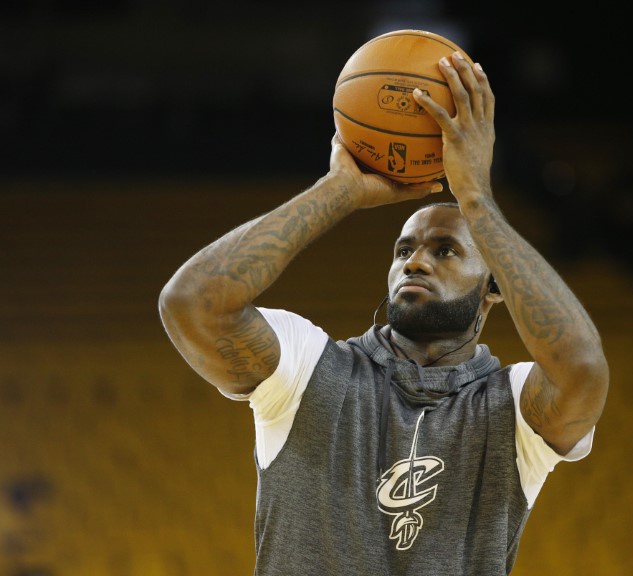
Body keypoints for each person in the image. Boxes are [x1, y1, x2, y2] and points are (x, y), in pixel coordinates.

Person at [159, 49, 609, 576]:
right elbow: (191, 304)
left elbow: (582, 368)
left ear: (495, 285)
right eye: (403, 250)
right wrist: (339, 191)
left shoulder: (512, 405)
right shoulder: (308, 366)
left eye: (445, 250)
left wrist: (477, 200)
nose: (414, 262)